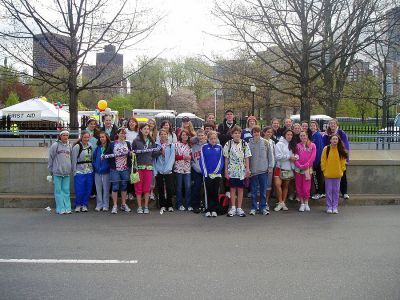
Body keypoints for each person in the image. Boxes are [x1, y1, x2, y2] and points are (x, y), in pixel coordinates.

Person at [131, 123, 161, 214]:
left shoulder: (152, 141)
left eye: (148, 129)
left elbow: (153, 155)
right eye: (144, 129)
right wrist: (132, 153)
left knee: (147, 188)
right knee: (138, 188)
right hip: (139, 168)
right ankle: (139, 207)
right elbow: (133, 153)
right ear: (140, 130)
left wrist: (160, 151)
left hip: (149, 167)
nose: (147, 130)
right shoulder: (136, 141)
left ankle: (146, 206)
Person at [223, 125, 251, 217]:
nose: (237, 134)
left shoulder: (244, 144)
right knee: (232, 189)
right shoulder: (228, 144)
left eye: (239, 133)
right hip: (232, 171)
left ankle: (239, 208)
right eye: (235, 133)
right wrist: (226, 171)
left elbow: (247, 157)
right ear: (232, 134)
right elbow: (226, 158)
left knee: (240, 189)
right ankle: (233, 208)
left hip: (241, 171)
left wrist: (247, 169)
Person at [102, 128, 132, 214]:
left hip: (125, 168)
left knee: (124, 186)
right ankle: (115, 205)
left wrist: (131, 154)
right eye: (121, 133)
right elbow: (106, 154)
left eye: (124, 134)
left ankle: (123, 204)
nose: (123, 135)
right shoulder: (112, 144)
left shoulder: (128, 143)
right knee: (115, 186)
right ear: (118, 134)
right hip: (115, 169)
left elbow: (130, 154)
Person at [248, 126, 273, 216]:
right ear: (252, 133)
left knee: (263, 190)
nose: (256, 133)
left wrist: (270, 167)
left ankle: (263, 207)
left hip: (263, 170)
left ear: (260, 133)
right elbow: (247, 158)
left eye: (258, 132)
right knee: (254, 191)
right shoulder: (249, 144)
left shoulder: (266, 142)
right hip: (253, 171)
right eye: (254, 132)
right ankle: (254, 208)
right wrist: (248, 169)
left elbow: (270, 156)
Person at [322, 119, 350, 199]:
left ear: (337, 124)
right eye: (331, 124)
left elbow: (346, 146)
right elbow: (324, 145)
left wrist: (347, 159)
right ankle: (325, 192)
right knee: (328, 176)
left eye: (334, 124)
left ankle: (344, 192)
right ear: (329, 125)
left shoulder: (341, 133)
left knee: (343, 175)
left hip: (340, 159)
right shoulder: (326, 134)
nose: (332, 125)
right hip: (329, 158)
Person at [321, 134, 348, 214]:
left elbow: (343, 161)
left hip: (337, 173)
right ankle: (329, 206)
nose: (335, 140)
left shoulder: (341, 149)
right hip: (328, 173)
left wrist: (342, 170)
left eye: (336, 139)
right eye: (333, 139)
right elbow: (323, 160)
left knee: (336, 191)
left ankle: (335, 207)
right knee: (329, 191)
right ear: (330, 140)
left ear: (338, 140)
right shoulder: (326, 149)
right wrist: (324, 170)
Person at [200, 131, 224, 217]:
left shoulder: (220, 147)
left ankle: (214, 209)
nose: (213, 140)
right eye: (211, 139)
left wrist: (217, 171)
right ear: (208, 139)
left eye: (215, 138)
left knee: (215, 192)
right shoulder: (204, 147)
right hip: (207, 174)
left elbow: (221, 161)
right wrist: (206, 173)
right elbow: (202, 161)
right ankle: (208, 209)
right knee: (208, 192)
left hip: (217, 174)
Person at [48, 130, 72, 215]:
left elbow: (71, 158)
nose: (65, 137)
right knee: (58, 191)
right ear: (60, 136)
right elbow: (51, 158)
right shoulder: (55, 145)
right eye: (64, 135)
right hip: (57, 172)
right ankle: (60, 208)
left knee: (66, 190)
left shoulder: (69, 145)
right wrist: (50, 170)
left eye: (67, 135)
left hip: (66, 173)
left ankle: (67, 208)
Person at [154, 129, 176, 214]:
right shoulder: (156, 145)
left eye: (165, 134)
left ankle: (169, 205)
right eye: (161, 134)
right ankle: (162, 204)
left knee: (169, 188)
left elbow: (172, 158)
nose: (163, 135)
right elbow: (154, 159)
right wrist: (156, 170)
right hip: (159, 170)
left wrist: (168, 168)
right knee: (160, 188)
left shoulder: (171, 145)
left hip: (168, 170)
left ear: (168, 135)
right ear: (159, 136)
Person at [274, 129, 296, 211]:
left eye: (291, 135)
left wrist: (295, 157)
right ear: (284, 135)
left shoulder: (293, 144)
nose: (290, 136)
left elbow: (296, 155)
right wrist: (289, 157)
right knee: (277, 185)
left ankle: (283, 202)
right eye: (288, 134)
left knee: (286, 186)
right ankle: (280, 202)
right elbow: (278, 156)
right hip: (279, 167)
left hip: (288, 168)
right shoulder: (279, 144)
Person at [71, 131, 94, 213]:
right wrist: (74, 172)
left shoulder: (90, 145)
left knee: (88, 189)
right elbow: (73, 160)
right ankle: (78, 205)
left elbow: (92, 158)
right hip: (79, 171)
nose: (86, 139)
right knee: (79, 189)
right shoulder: (77, 147)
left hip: (89, 171)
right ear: (81, 137)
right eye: (85, 137)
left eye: (88, 137)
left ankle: (84, 205)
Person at [294, 131, 316, 212]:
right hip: (298, 169)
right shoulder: (297, 146)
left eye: (304, 135)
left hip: (307, 169)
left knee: (306, 187)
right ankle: (302, 203)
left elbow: (313, 157)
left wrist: (306, 165)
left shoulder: (312, 145)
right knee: (299, 186)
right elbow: (295, 157)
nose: (303, 137)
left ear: (307, 136)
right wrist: (299, 165)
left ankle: (306, 203)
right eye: (301, 136)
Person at [92, 132, 111, 211]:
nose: (102, 138)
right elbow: (93, 158)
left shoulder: (110, 147)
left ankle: (105, 205)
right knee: (98, 189)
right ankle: (99, 204)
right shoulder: (98, 148)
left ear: (106, 137)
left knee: (106, 189)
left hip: (106, 172)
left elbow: (111, 160)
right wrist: (96, 166)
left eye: (103, 137)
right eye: (100, 137)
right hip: (97, 172)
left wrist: (106, 167)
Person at [174, 129, 193, 211]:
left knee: (188, 187)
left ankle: (188, 204)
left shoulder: (190, 145)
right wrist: (182, 157)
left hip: (187, 169)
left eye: (186, 135)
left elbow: (193, 156)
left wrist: (190, 157)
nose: (184, 136)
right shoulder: (176, 145)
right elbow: (174, 156)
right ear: (180, 136)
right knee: (179, 187)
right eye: (183, 135)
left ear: (188, 136)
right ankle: (179, 204)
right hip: (178, 168)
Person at [191, 129, 208, 213]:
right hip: (196, 169)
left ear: (205, 136)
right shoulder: (194, 145)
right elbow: (191, 139)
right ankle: (196, 205)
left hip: (206, 170)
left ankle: (206, 205)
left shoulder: (208, 145)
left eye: (202, 135)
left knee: (207, 188)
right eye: (199, 135)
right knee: (196, 187)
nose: (201, 137)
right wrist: (194, 166)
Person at [310, 121, 325, 200]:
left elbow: (319, 149)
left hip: (317, 160)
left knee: (318, 177)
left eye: (314, 126)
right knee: (317, 177)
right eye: (311, 126)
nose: (312, 127)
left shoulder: (317, 135)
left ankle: (320, 192)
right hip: (315, 160)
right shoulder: (313, 135)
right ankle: (319, 192)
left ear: (316, 127)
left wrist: (316, 161)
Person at [262, 126, 276, 204]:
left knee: (268, 185)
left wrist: (272, 166)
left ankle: (266, 202)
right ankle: (260, 201)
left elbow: (274, 155)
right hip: (261, 166)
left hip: (270, 167)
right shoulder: (261, 141)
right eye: (268, 132)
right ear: (264, 132)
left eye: (271, 132)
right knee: (260, 185)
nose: (269, 134)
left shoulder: (272, 142)